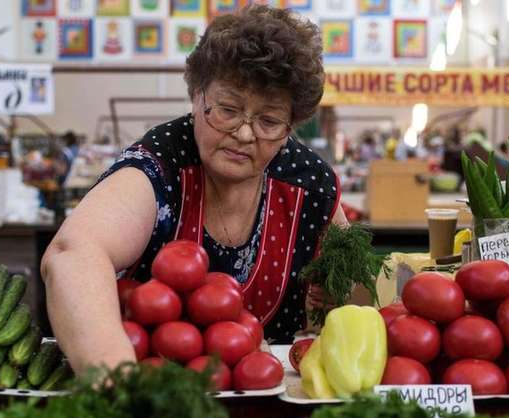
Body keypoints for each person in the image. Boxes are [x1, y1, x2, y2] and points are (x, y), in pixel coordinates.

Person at [41, 5, 347, 374]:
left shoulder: (309, 184)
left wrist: (335, 299)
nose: (244, 133)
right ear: (197, 96)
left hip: (272, 395)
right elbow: (73, 254)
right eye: (228, 110)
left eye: (268, 121)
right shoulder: (160, 164)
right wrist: (117, 383)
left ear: (290, 126)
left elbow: (356, 294)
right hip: (150, 388)